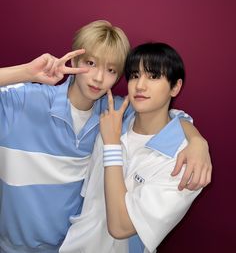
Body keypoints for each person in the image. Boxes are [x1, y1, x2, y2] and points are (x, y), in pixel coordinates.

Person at [0, 20, 211, 253]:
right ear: (73, 61)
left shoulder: (113, 113)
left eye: (111, 70)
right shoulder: (22, 101)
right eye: (90, 63)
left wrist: (197, 141)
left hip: (67, 245)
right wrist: (27, 72)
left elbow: (167, 113)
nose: (99, 78)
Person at [60, 42, 209, 253]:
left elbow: (121, 227)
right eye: (134, 75)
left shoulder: (184, 162)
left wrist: (112, 146)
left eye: (154, 76)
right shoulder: (115, 121)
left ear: (175, 87)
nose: (140, 86)